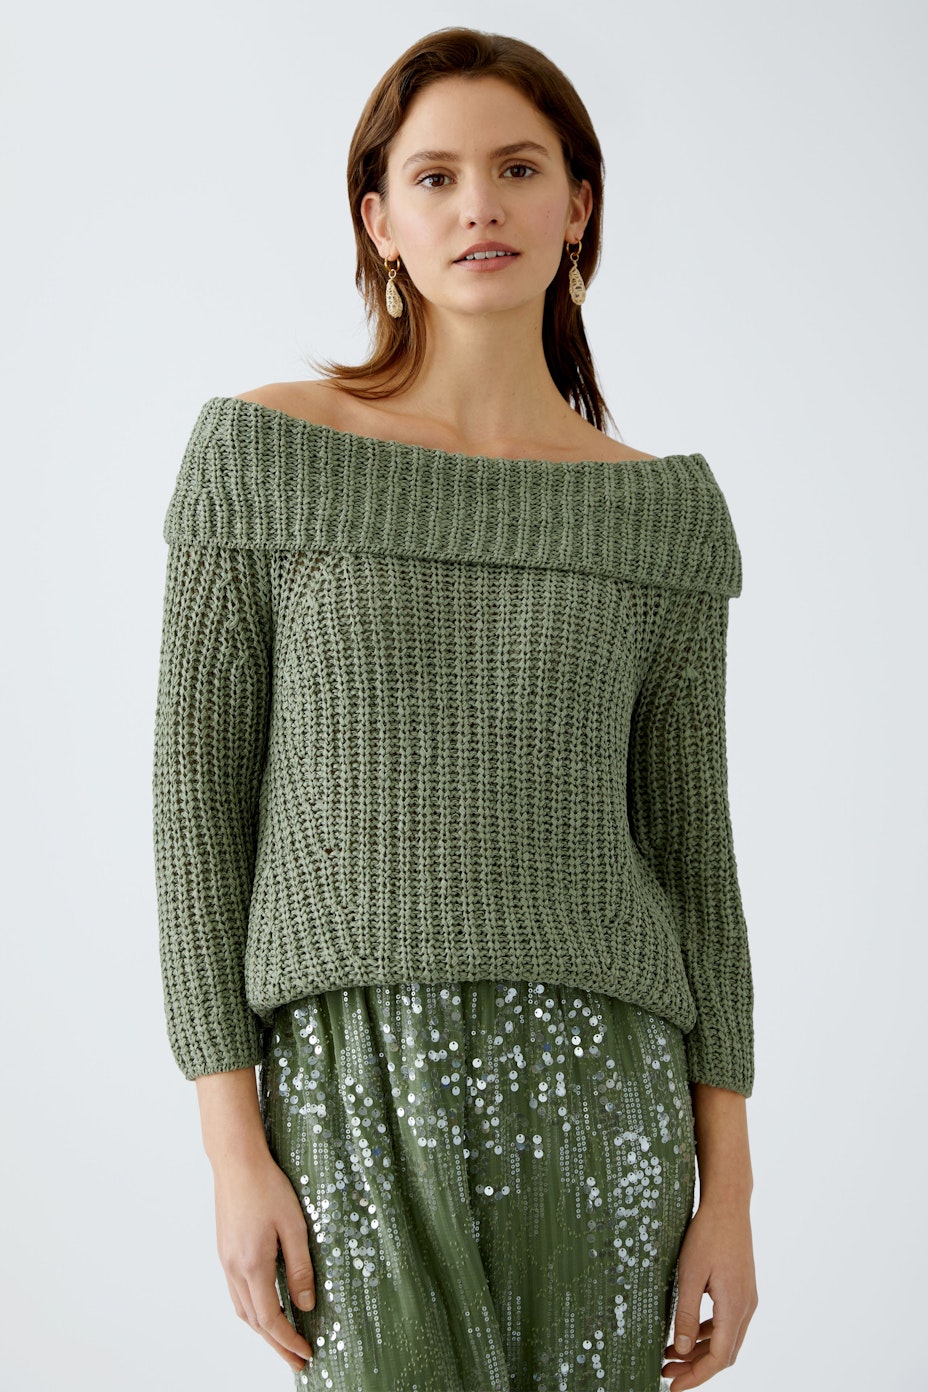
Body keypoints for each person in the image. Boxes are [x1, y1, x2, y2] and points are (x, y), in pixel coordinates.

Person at [152, 26, 758, 1392]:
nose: (479, 204)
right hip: (349, 1078)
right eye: (434, 176)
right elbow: (197, 814)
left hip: (605, 1088)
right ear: (380, 221)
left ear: (578, 206)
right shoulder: (263, 456)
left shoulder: (659, 513)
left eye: (519, 168)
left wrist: (728, 1193)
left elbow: (696, 865)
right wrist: (233, 1151)